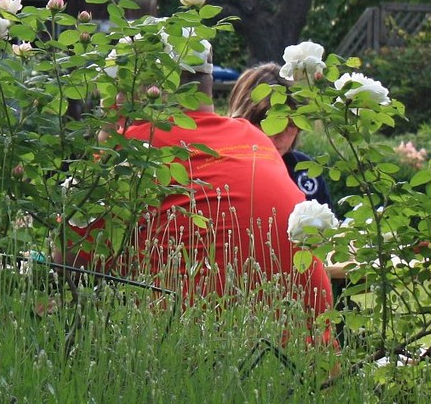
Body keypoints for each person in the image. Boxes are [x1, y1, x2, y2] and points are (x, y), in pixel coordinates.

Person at [119, 55, 334, 319]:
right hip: (296, 342)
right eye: (268, 121)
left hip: (209, 336)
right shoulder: (252, 142)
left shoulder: (300, 169)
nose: (280, 133)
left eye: (290, 124)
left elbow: (71, 263)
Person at [226, 61, 334, 209]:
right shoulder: (223, 170)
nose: (281, 136)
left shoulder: (304, 171)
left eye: (291, 126)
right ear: (245, 120)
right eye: (273, 124)